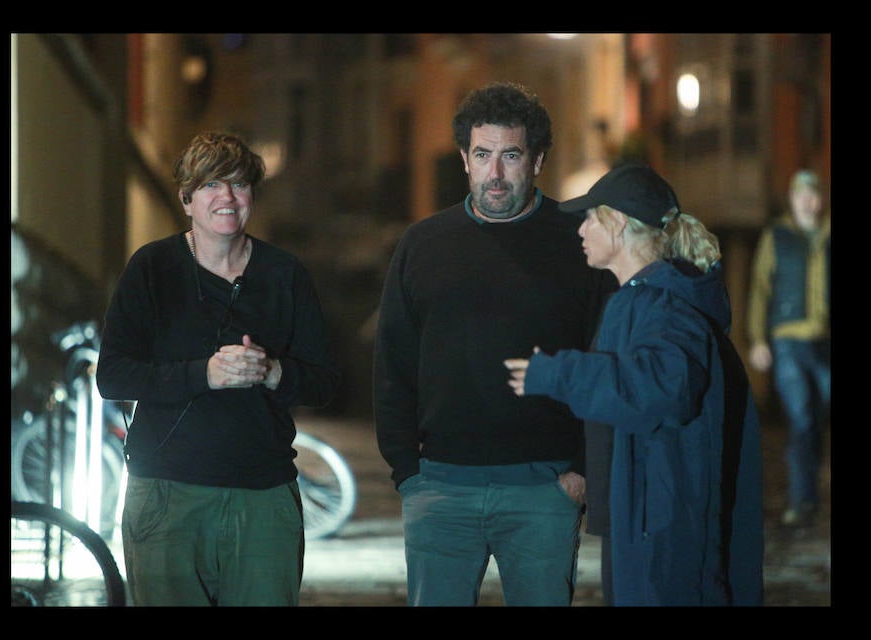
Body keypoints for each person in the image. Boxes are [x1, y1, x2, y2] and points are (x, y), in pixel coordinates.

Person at [373, 81, 616, 606]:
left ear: (537, 159)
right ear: (465, 159)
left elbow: (606, 355)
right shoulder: (422, 244)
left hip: (544, 486)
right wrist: (407, 472)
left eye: (511, 155)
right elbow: (393, 362)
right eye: (483, 155)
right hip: (439, 486)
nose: (496, 173)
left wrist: (581, 469)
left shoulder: (578, 241)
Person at [96, 131, 339, 606]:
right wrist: (202, 375)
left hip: (262, 495)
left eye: (238, 185)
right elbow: (114, 376)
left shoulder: (284, 274)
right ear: (187, 200)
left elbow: (326, 381)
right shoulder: (152, 268)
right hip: (167, 493)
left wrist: (273, 373)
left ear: (251, 197)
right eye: (211, 186)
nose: (226, 197)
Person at [504, 163, 765, 606]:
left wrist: (560, 373)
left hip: (664, 529)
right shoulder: (641, 300)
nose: (581, 230)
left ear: (618, 222)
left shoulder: (663, 305)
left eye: (590, 218)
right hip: (645, 518)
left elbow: (665, 386)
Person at [746, 169, 830, 529]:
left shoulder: (828, 235)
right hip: (788, 339)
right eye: (801, 195)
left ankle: (809, 493)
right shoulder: (776, 237)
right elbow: (761, 287)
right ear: (793, 199)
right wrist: (758, 338)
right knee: (801, 418)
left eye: (813, 194)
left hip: (825, 340)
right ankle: (801, 499)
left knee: (818, 420)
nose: (808, 200)